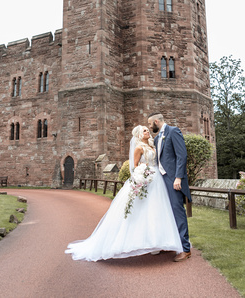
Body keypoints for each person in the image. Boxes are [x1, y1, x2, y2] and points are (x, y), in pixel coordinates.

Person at [65, 125, 182, 261]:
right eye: (144, 131)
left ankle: (159, 241)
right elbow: (135, 166)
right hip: (147, 179)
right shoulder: (139, 148)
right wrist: (143, 173)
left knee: (158, 209)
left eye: (147, 130)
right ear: (139, 134)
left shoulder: (152, 146)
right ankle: (143, 241)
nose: (147, 132)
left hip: (157, 181)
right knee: (143, 210)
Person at [147, 112, 192, 262]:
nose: (149, 126)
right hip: (161, 180)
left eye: (149, 124)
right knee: (165, 212)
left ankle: (185, 249)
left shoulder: (173, 131)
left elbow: (182, 155)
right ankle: (169, 243)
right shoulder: (158, 137)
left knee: (177, 211)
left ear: (156, 121)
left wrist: (178, 177)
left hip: (173, 180)